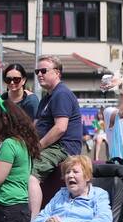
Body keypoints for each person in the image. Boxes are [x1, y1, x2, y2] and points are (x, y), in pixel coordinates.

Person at [32, 57, 84, 198]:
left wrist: (37, 147)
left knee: (29, 173)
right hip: (52, 147)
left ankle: (33, 218)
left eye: (43, 71)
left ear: (57, 73)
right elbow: (35, 127)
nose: (39, 75)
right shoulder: (46, 98)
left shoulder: (61, 93)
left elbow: (60, 128)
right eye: (37, 71)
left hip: (63, 148)